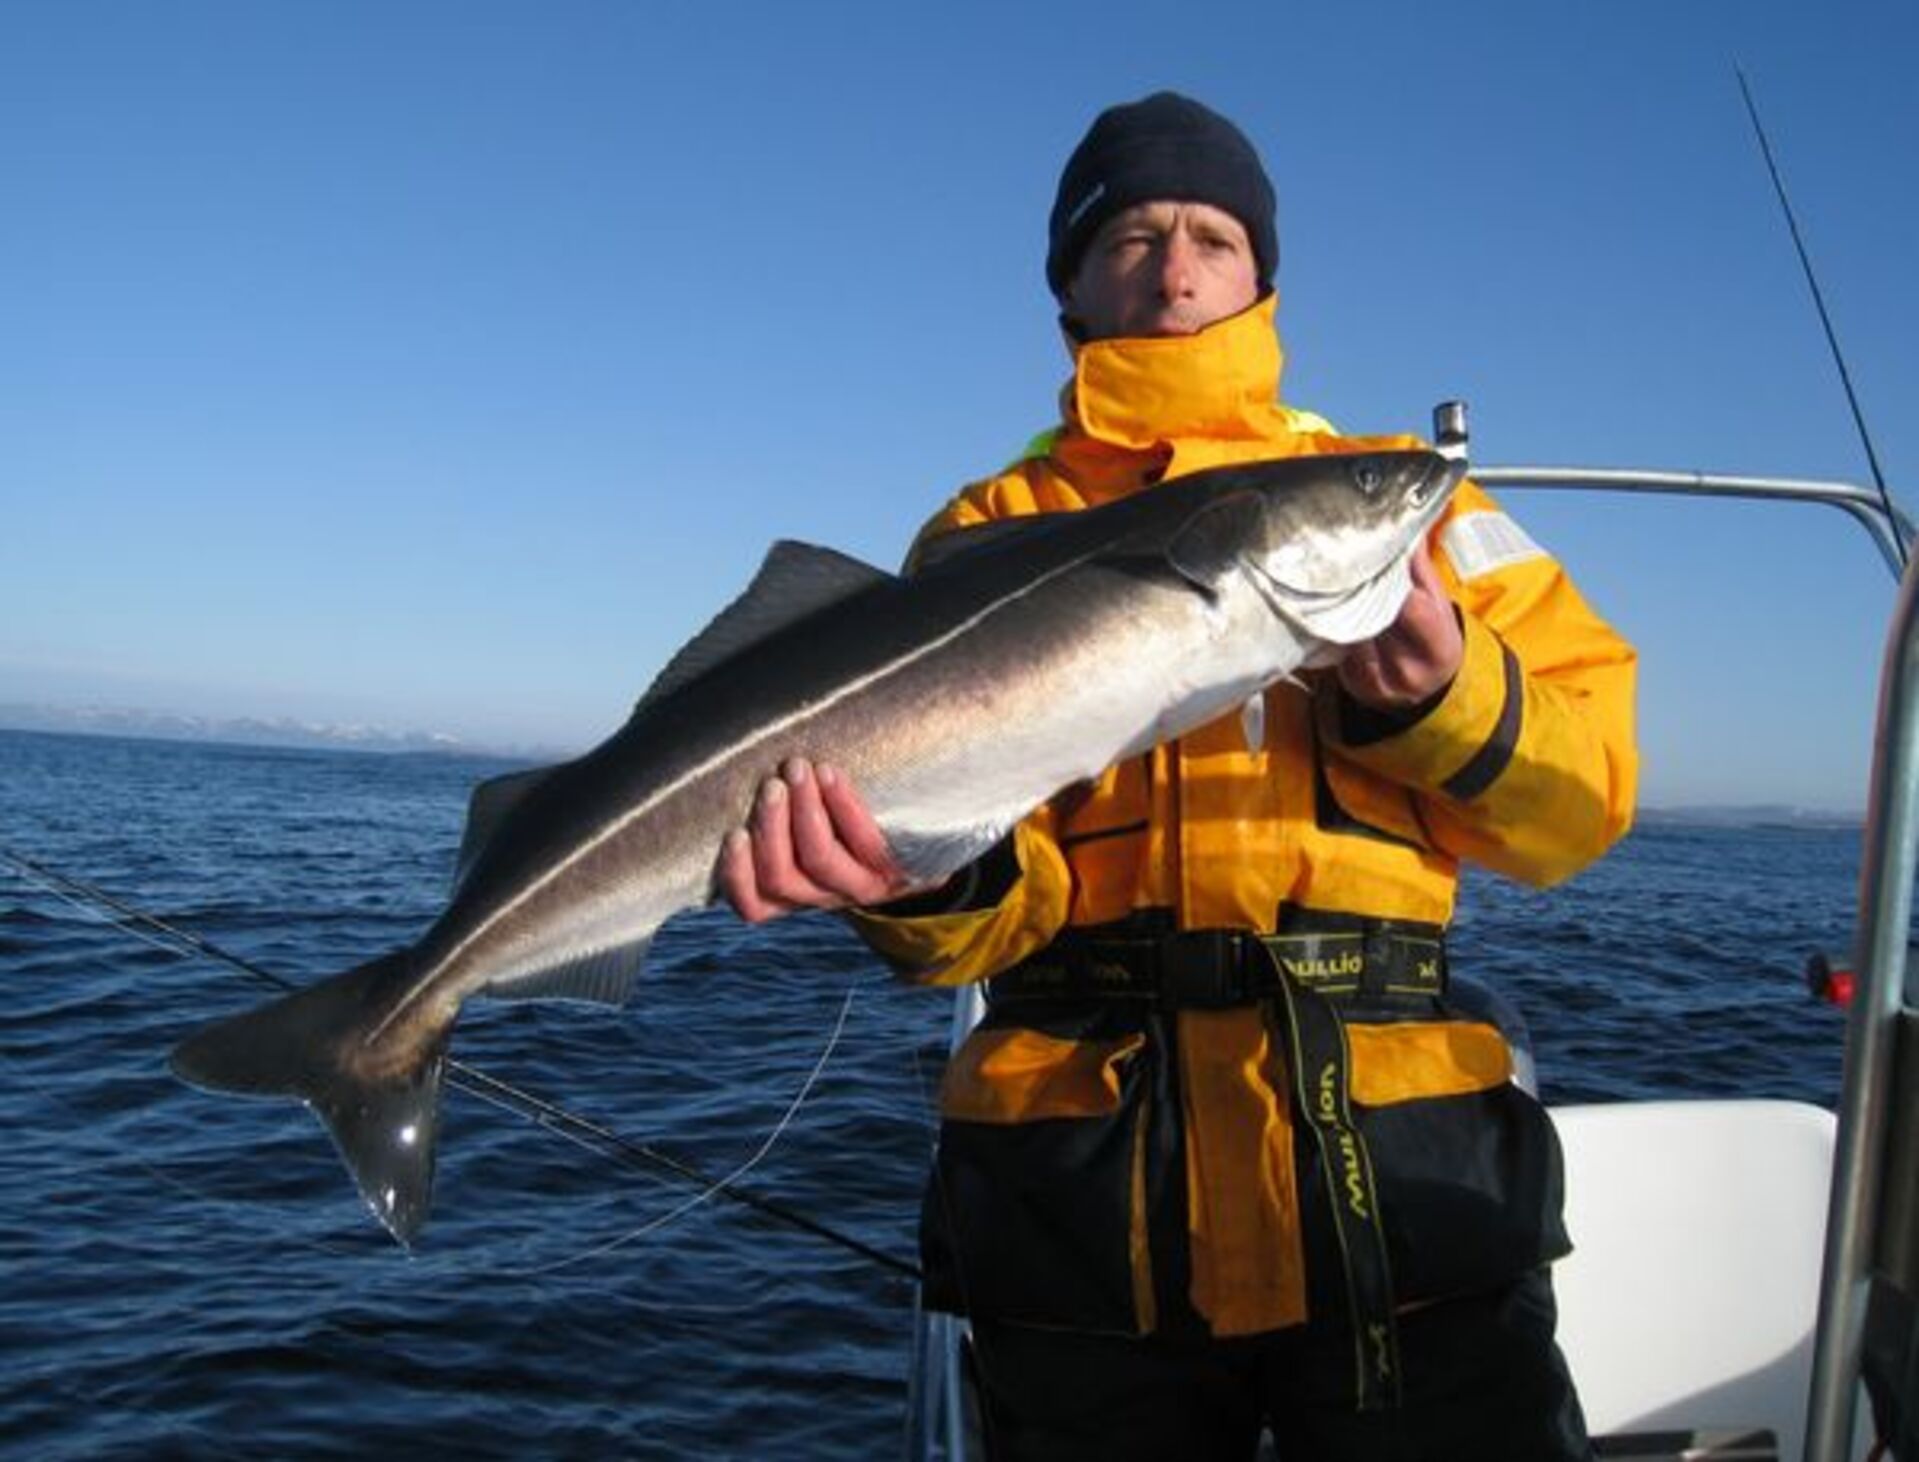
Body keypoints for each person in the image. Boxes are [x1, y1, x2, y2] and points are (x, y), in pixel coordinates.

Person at [719, 92, 1636, 1462]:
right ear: (1070, 287)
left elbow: (1589, 800)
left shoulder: (1396, 504)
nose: (1175, 269)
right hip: (1089, 1208)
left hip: (1397, 1186)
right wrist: (912, 879)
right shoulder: (987, 532)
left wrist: (1450, 694)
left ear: (1263, 277)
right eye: (1132, 237)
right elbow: (993, 918)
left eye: (1214, 236)